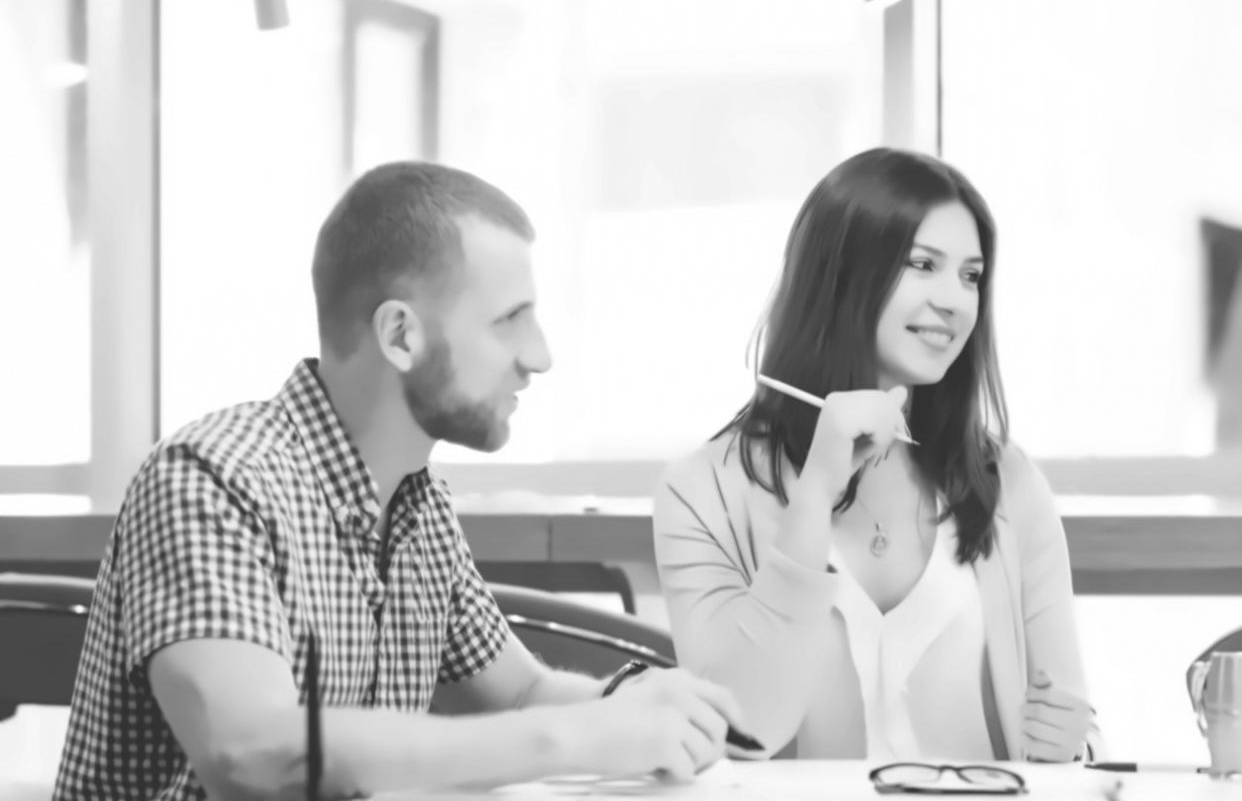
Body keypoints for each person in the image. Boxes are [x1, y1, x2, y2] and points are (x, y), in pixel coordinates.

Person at [56, 162, 746, 801]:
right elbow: (249, 750)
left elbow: (519, 692)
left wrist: (636, 707)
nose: (540, 355)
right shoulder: (213, 477)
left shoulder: (419, 501)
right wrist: (578, 738)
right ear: (400, 335)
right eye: (510, 319)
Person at [655, 147, 1098, 763]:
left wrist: (1071, 744)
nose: (955, 300)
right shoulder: (701, 492)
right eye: (923, 265)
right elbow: (740, 730)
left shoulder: (1008, 482)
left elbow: (1075, 727)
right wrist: (816, 492)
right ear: (839, 276)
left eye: (970, 275)